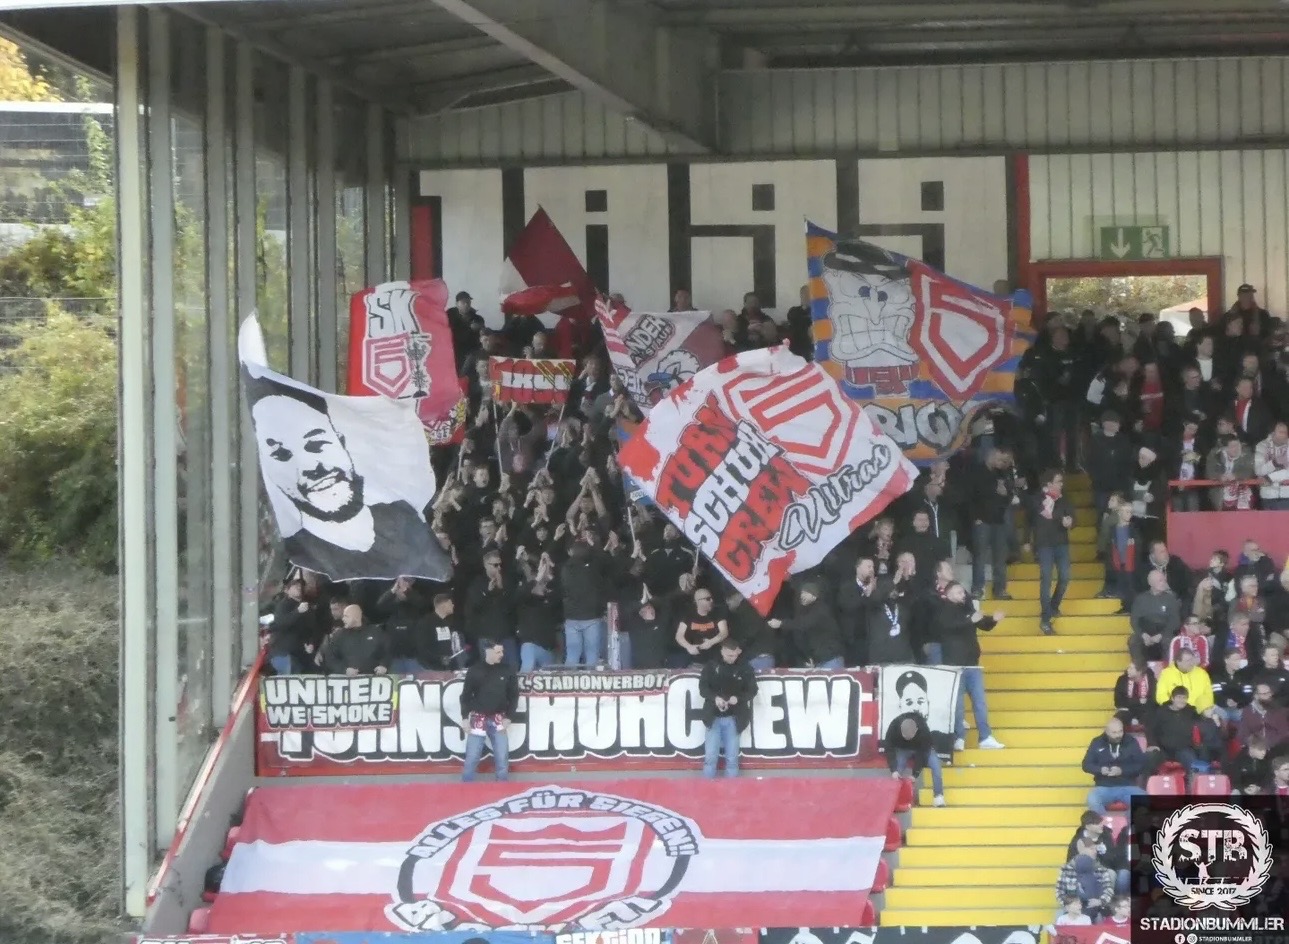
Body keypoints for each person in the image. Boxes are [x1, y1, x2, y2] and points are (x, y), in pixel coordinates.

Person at [248, 383, 453, 582]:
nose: (313, 467)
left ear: (342, 442)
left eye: (317, 444)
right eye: (282, 456)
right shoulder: (303, 551)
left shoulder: (401, 517)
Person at [935, 581, 1005, 751]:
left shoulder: (967, 609)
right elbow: (948, 627)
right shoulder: (943, 609)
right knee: (958, 704)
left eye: (963, 592)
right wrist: (970, 621)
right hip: (954, 665)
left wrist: (993, 620)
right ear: (948, 594)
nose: (963, 595)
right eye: (958, 592)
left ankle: (985, 737)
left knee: (980, 702)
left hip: (973, 665)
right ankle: (959, 737)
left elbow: (982, 623)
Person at [459, 638, 519, 782]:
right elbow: (465, 696)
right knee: (472, 756)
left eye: (502, 651)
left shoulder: (507, 670)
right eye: (498, 652)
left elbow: (514, 695)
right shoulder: (475, 670)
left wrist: (509, 717)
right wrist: (465, 718)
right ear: (488, 652)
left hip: (499, 717)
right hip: (478, 717)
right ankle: (464, 789)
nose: (501, 654)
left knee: (502, 757)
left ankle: (502, 787)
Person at [698, 639, 758, 778]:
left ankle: (732, 794)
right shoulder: (711, 666)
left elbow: (753, 690)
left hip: (734, 718)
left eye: (734, 655)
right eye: (729, 655)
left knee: (732, 759)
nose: (732, 658)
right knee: (710, 758)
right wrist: (715, 698)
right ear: (722, 651)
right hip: (713, 717)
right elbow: (703, 688)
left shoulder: (745, 668)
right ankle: (707, 790)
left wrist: (738, 699)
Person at [1033, 469, 1075, 635]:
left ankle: (1053, 606)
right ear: (1049, 483)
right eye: (1058, 481)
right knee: (1046, 580)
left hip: (1061, 544)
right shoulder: (1038, 499)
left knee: (1065, 577)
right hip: (1044, 545)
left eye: (1061, 481)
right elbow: (1038, 517)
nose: (1061, 484)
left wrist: (1070, 521)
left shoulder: (1065, 500)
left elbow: (1073, 516)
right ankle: (1045, 619)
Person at [1081, 717, 1147, 814]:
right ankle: (1104, 826)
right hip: (1103, 786)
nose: (1118, 735)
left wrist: (1122, 770)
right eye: (1114, 732)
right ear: (1106, 731)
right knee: (1092, 799)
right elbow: (1086, 765)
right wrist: (1100, 770)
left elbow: (1141, 765)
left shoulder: (1131, 741)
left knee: (1144, 800)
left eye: (1120, 731)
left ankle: (1126, 826)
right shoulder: (1097, 742)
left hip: (1128, 785)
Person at [884, 710, 945, 807]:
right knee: (897, 771)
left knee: (936, 766)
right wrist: (893, 770)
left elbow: (923, 752)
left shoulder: (923, 729)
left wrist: (915, 774)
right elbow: (888, 748)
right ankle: (893, 799)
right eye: (905, 737)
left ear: (916, 730)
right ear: (900, 729)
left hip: (921, 748)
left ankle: (938, 796)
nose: (909, 739)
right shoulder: (894, 726)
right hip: (903, 748)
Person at [320, 604, 390, 676]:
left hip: (372, 680)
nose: (343, 619)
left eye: (346, 616)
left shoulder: (376, 632)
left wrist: (384, 666)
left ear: (356, 617)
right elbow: (330, 659)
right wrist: (344, 670)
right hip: (347, 681)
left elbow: (387, 652)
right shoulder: (339, 635)